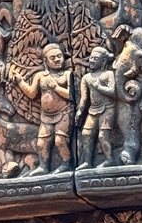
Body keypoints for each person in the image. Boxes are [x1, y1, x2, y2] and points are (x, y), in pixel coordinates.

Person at [12, 43, 72, 175]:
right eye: (52, 58)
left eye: (59, 56)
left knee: (60, 141)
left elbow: (71, 95)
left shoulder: (67, 75)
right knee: (41, 143)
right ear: (45, 61)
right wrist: (20, 82)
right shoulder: (40, 76)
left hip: (64, 112)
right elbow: (32, 93)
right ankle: (44, 167)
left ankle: (66, 164)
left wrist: (56, 88)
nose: (57, 60)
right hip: (46, 116)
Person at [76, 46, 116, 168]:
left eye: (96, 58)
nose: (92, 60)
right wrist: (80, 111)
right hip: (93, 109)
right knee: (86, 134)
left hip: (108, 108)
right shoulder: (86, 77)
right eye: (91, 58)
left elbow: (113, 92)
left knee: (103, 135)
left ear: (103, 61)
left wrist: (99, 87)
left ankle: (109, 159)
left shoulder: (108, 74)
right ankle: (87, 162)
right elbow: (84, 98)